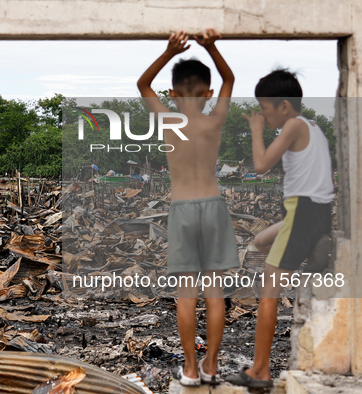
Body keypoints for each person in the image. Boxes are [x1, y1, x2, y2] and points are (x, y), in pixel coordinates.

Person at [137, 29, 238, 387]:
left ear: (173, 94)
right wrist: (211, 46)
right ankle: (211, 366)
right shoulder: (214, 120)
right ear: (209, 94)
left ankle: (191, 370)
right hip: (213, 206)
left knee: (185, 295)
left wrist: (168, 52)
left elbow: (142, 83)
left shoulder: (169, 121)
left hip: (181, 209)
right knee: (214, 292)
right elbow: (229, 77)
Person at [225, 70, 334, 388]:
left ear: (284, 106)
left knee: (268, 294)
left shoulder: (293, 125)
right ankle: (312, 248)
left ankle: (259, 371)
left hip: (301, 213)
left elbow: (260, 165)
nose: (262, 115)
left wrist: (256, 131)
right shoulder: (314, 128)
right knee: (260, 241)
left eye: (265, 109)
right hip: (315, 214)